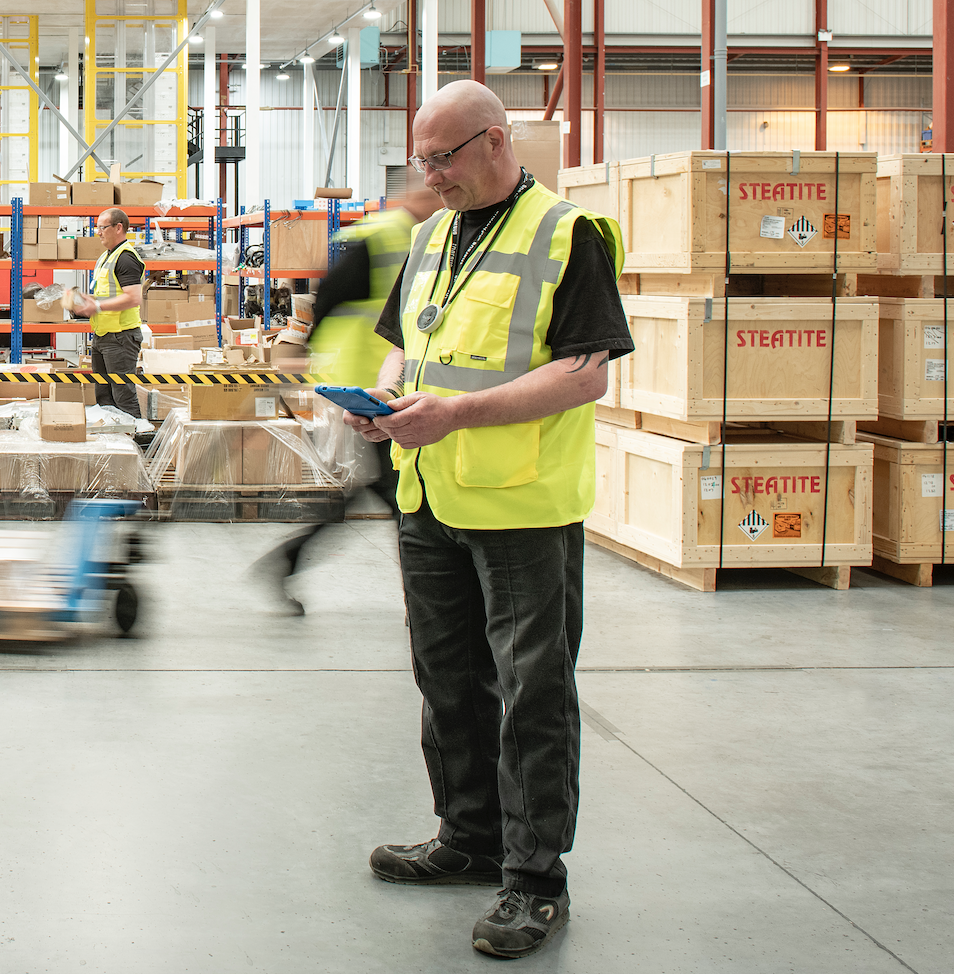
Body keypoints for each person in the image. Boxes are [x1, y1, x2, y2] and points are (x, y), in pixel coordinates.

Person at [337, 80, 631, 960]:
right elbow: (407, 340)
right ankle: (469, 838)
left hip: (522, 506)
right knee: (447, 679)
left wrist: (457, 415)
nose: (429, 176)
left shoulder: (568, 235)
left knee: (530, 691)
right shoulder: (431, 235)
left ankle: (536, 881)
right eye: (421, 161)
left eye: (443, 159)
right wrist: (382, 398)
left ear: (496, 142)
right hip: (430, 492)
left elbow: (587, 373)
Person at [260, 183, 443, 612]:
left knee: (379, 488)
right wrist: (305, 355)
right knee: (398, 492)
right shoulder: (384, 236)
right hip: (369, 384)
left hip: (393, 380)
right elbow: (330, 295)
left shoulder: (427, 236)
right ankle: (424, 599)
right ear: (417, 197)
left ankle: (290, 559)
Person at [67, 207, 145, 422]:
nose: (98, 232)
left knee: (122, 395)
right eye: (97, 228)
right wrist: (87, 300)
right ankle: (114, 442)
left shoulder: (126, 258)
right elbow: (108, 293)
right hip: (103, 335)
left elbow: (133, 297)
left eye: (102, 227)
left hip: (121, 336)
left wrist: (97, 307)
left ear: (118, 228)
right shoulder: (105, 257)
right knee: (104, 395)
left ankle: (135, 443)